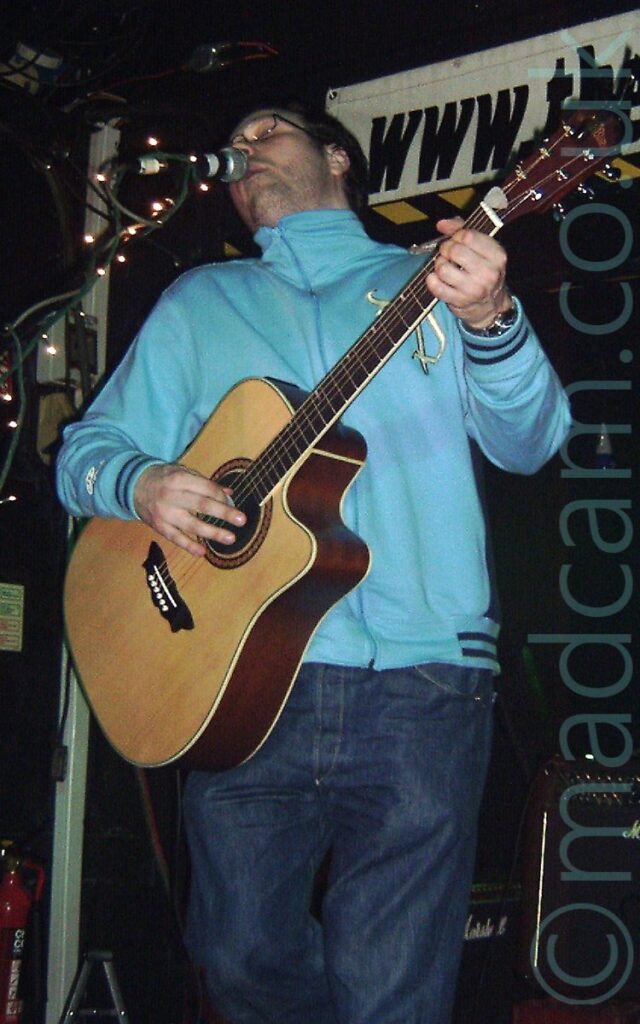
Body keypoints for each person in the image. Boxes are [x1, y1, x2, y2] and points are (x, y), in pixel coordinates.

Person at [56, 102, 571, 1024]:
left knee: (391, 986)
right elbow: (84, 453)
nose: (243, 151)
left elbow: (532, 441)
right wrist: (141, 484)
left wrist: (492, 319)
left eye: (266, 131)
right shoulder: (200, 303)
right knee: (236, 960)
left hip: (423, 679)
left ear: (337, 157)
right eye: (235, 144)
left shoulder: (430, 283)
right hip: (236, 680)